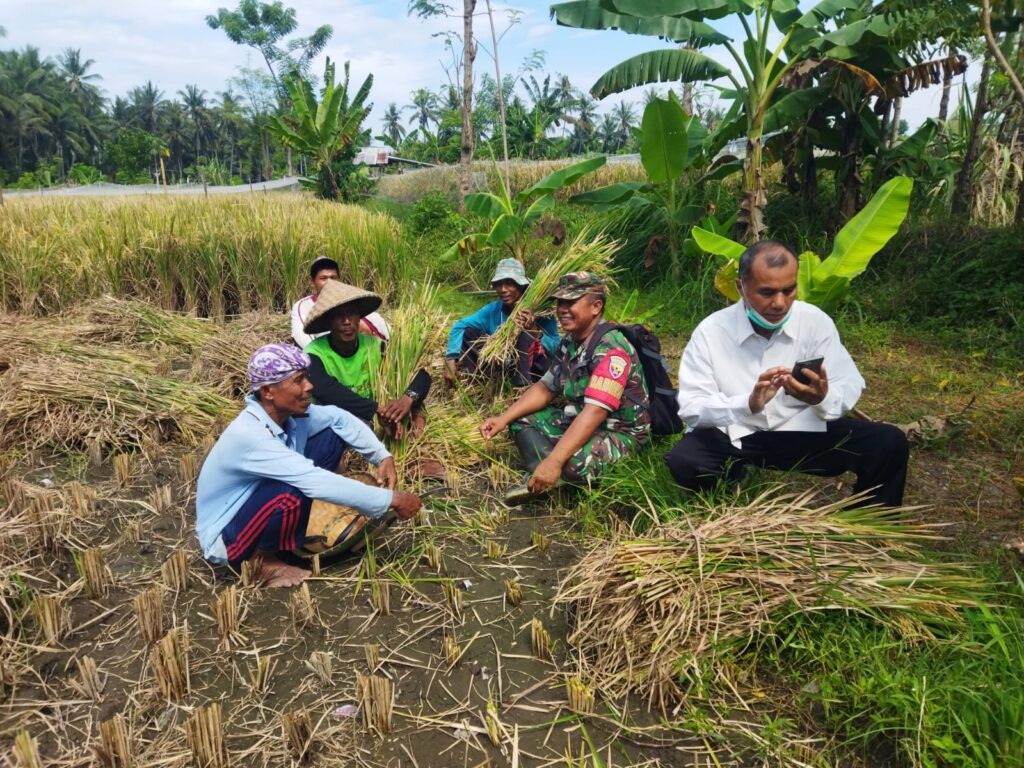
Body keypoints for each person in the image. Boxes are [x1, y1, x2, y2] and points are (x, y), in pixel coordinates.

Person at [665, 240, 909, 507]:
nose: (779, 303)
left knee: (889, 442)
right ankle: (727, 487)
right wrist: (748, 403)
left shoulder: (814, 322)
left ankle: (870, 519)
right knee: (686, 461)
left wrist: (821, 398)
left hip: (802, 430)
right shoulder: (711, 332)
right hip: (735, 433)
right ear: (740, 288)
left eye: (789, 290)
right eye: (767, 292)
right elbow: (692, 408)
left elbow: (849, 384)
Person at [196, 344, 422, 587]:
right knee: (297, 486)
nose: (309, 386)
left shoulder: (290, 415)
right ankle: (259, 561)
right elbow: (313, 481)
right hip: (229, 534)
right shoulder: (250, 435)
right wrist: (392, 499)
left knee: (331, 436)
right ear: (268, 391)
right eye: (299, 380)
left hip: (257, 503)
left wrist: (382, 456)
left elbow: (338, 417)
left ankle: (294, 528)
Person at [479, 272, 650, 504]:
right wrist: (503, 418)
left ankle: (551, 472)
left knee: (572, 464)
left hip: (618, 430)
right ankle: (546, 475)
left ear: (596, 307)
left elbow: (596, 411)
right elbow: (546, 388)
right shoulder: (569, 342)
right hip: (580, 417)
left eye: (571, 302)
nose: (562, 309)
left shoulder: (610, 348)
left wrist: (556, 461)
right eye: (560, 302)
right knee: (519, 420)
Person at [302, 279, 431, 437]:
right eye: (339, 316)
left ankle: (418, 443)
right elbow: (325, 389)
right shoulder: (314, 353)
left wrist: (406, 400)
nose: (347, 321)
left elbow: (422, 375)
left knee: (417, 404)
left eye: (351, 313)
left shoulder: (375, 346)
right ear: (329, 321)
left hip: (379, 415)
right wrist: (375, 408)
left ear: (359, 317)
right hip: (340, 417)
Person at [444, 258, 560, 387]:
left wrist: (536, 332)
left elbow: (556, 348)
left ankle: (521, 388)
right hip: (504, 365)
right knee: (469, 332)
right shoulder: (493, 310)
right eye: (498, 284)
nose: (503, 289)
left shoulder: (541, 312)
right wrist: (450, 360)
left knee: (523, 334)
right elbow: (459, 326)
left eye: (509, 283)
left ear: (521, 285)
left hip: (535, 371)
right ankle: (480, 380)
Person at [291, 255, 390, 349]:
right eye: (323, 278)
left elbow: (386, 332)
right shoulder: (304, 306)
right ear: (312, 281)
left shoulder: (354, 300)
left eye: (333, 278)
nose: (329, 282)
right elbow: (302, 338)